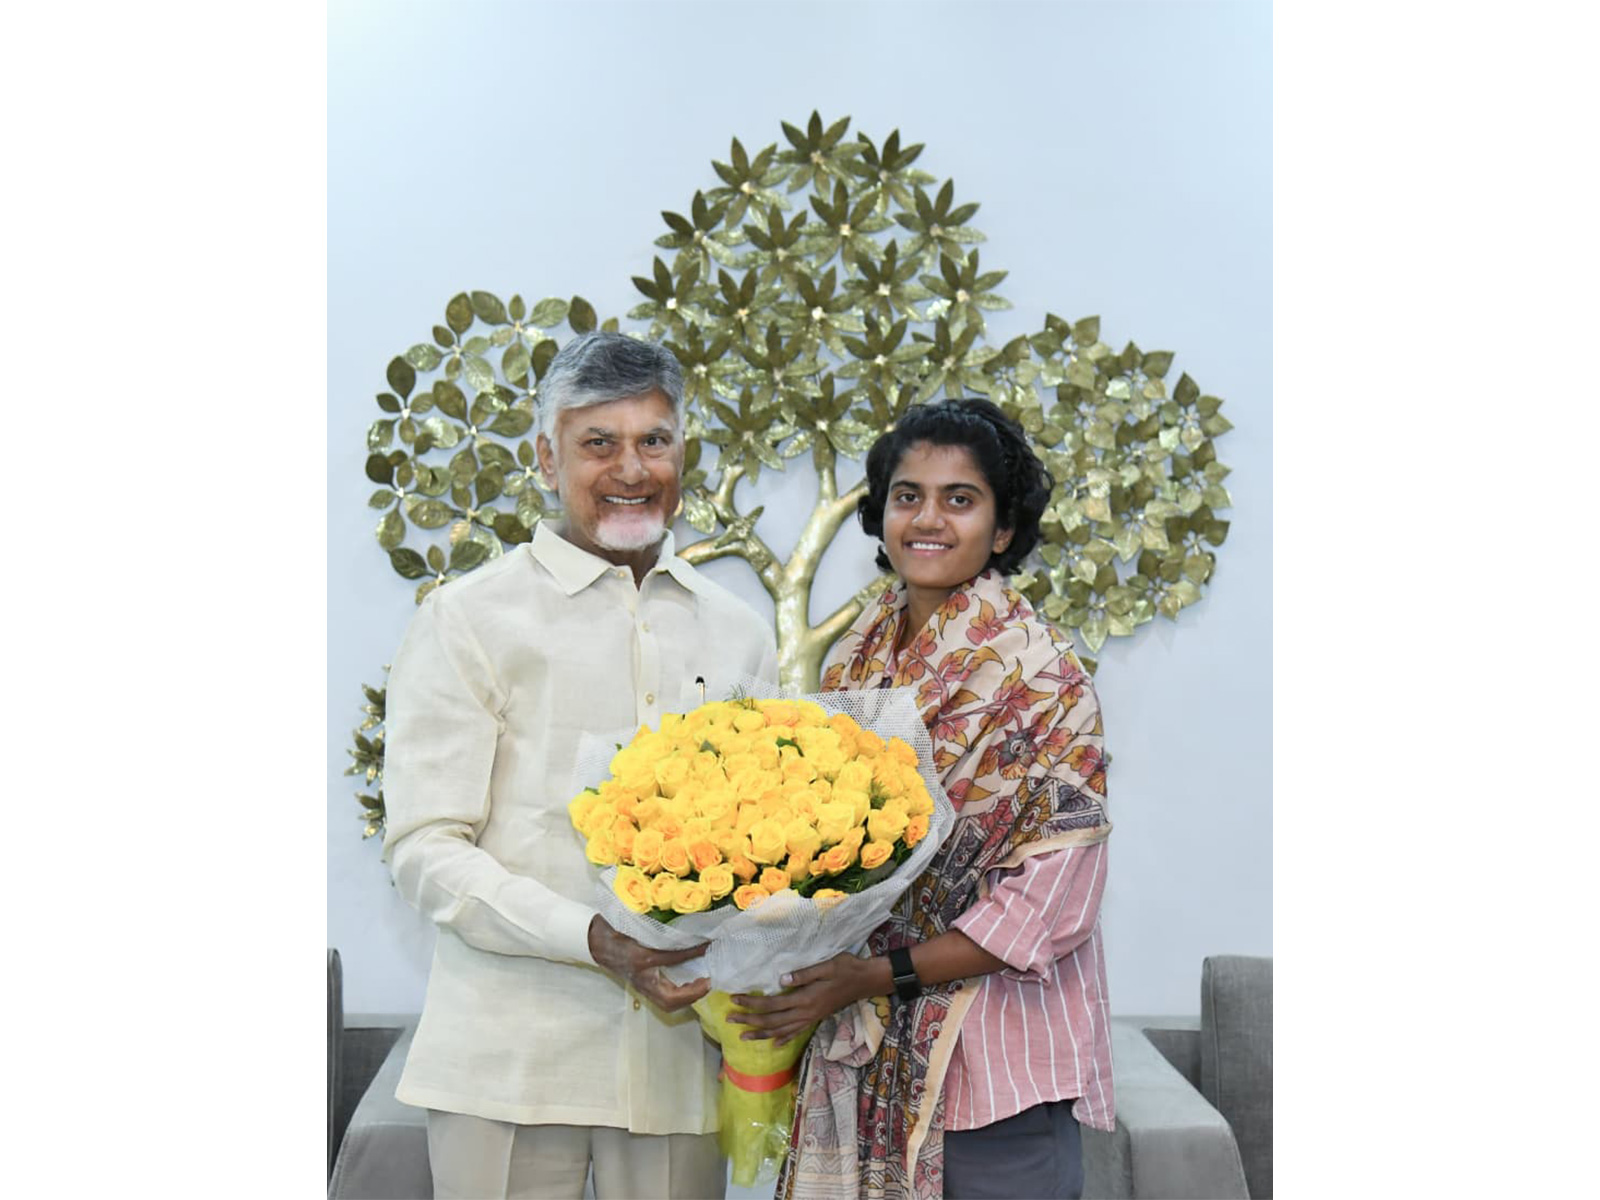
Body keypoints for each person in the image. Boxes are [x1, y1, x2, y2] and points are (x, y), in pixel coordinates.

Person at [382, 331, 778, 1200]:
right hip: (509, 1065)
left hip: (681, 1065)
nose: (630, 469)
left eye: (654, 441)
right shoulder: (469, 618)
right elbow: (424, 848)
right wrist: (595, 940)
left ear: (684, 454)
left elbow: (765, 847)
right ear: (545, 457)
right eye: (598, 443)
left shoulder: (738, 631)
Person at [729, 399, 1113, 1200]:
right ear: (881, 515)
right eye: (908, 496)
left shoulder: (1045, 682)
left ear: (1003, 529)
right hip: (861, 1051)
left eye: (959, 499)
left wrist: (872, 975)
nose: (928, 519)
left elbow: (1048, 907)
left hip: (994, 1077)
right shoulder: (854, 663)